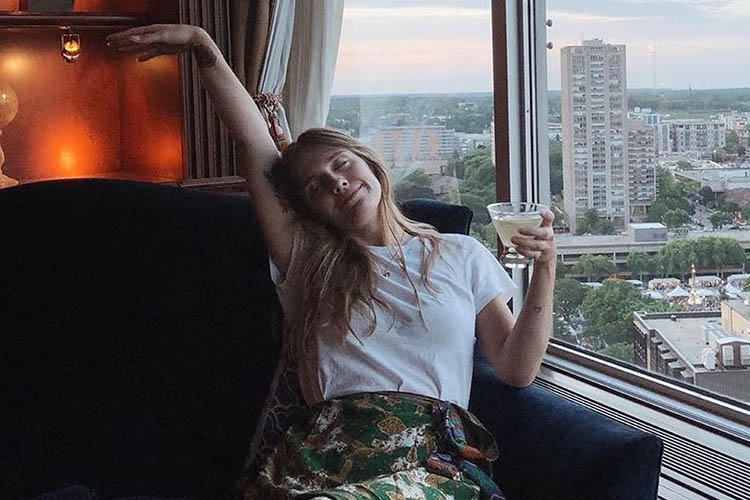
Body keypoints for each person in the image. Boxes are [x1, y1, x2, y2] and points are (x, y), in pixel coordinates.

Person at [107, 24, 556, 500]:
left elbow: (516, 368)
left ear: (369, 163)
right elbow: (253, 141)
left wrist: (546, 267)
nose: (336, 183)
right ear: (308, 210)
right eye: (317, 186)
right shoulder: (306, 263)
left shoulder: (460, 254)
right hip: (328, 453)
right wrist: (203, 46)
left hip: (426, 460)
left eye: (341, 165)